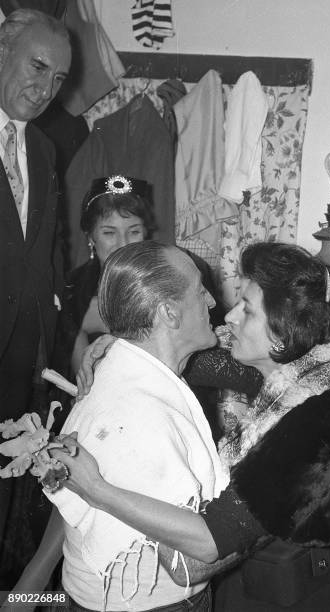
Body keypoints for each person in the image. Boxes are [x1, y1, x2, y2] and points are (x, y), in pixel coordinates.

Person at [46, 242, 330, 611]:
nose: (227, 316)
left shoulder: (315, 423)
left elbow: (207, 544)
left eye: (246, 308)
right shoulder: (315, 365)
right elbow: (203, 361)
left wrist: (96, 487)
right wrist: (121, 341)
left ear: (281, 334)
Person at [15, 241, 229, 611]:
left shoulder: (121, 371)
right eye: (200, 292)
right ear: (168, 313)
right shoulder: (143, 410)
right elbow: (196, 556)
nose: (212, 302)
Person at [0, 8, 71, 587]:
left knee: (6, 497)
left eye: (57, 79)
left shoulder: (44, 150)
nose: (45, 89)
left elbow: (47, 257)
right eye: (38, 66)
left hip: (23, 363)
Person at [53, 174, 225, 380]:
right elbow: (83, 377)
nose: (123, 243)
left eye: (133, 231)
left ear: (146, 232)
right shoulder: (72, 288)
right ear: (90, 237)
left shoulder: (181, 268)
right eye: (109, 233)